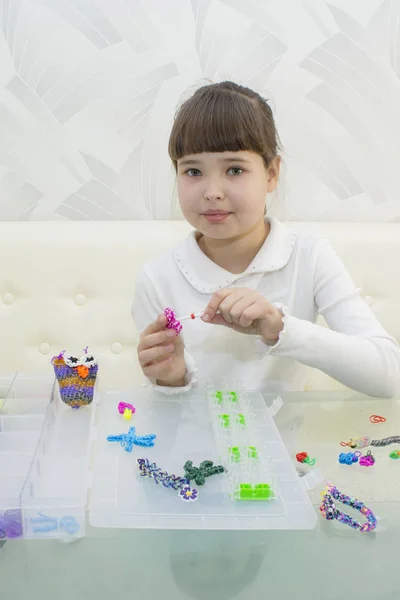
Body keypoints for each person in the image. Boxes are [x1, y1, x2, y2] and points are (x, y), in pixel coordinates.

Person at [132, 81, 400, 398]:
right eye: (193, 171)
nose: (212, 192)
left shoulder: (309, 256)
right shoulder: (157, 277)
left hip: (288, 446)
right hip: (192, 446)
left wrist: (279, 328)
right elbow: (168, 419)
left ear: (271, 174)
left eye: (234, 170)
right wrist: (171, 380)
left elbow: (389, 376)